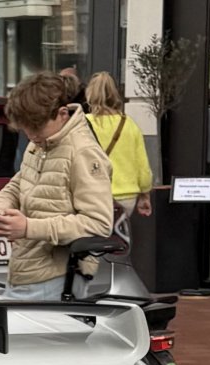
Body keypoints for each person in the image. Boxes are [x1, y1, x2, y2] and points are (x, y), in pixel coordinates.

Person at [0, 72, 114, 301]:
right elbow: (19, 183)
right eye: (26, 129)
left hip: (58, 278)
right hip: (28, 271)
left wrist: (27, 228)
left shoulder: (82, 151)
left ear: (62, 114)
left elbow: (99, 224)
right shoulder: (42, 144)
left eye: (37, 128)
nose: (31, 135)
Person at [84, 71, 153, 249]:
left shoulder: (83, 124)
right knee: (117, 243)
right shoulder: (129, 124)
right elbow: (142, 167)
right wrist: (144, 194)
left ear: (90, 95)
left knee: (92, 244)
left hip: (94, 196)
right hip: (126, 198)